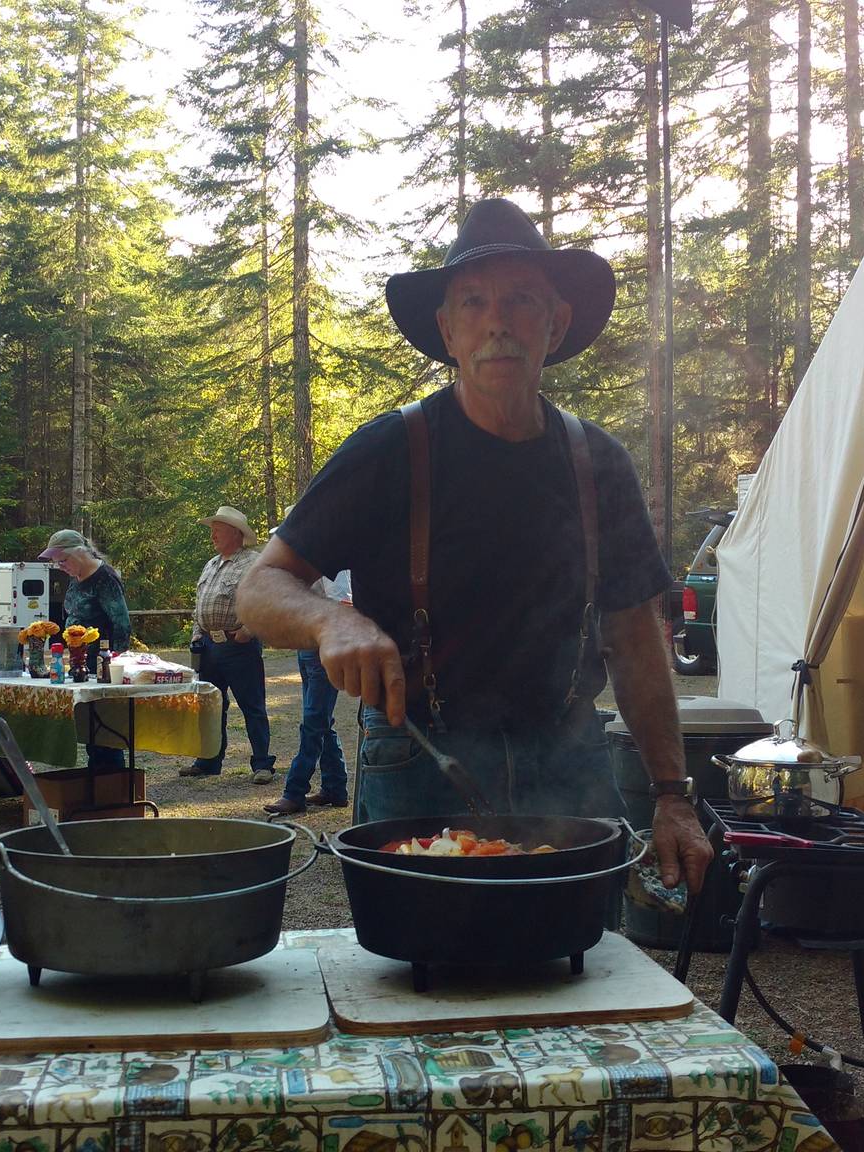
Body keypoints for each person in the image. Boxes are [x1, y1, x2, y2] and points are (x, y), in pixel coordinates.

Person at [236, 198, 713, 894]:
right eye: (474, 302)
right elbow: (260, 588)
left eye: (521, 300)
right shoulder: (391, 450)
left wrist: (672, 794)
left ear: (556, 323)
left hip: (570, 763)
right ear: (447, 330)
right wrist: (331, 618)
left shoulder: (598, 463)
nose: (497, 322)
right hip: (422, 759)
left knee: (573, 973)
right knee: (422, 971)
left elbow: (635, 638)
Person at [265, 509, 351, 816]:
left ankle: (295, 791)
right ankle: (335, 788)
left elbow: (343, 604)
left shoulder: (332, 562)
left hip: (321, 647)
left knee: (313, 720)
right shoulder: (302, 565)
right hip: (307, 647)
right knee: (320, 720)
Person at [184, 506, 274, 783]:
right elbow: (201, 604)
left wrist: (249, 630)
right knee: (211, 706)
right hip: (209, 645)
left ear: (236, 533)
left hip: (238, 644)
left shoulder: (252, 563)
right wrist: (198, 633)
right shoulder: (211, 564)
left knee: (252, 705)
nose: (212, 535)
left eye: (218, 529)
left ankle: (262, 764)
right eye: (212, 529)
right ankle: (209, 760)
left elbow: (267, 601)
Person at [40, 529, 133, 771]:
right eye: (56, 563)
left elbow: (121, 625)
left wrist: (114, 665)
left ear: (80, 553)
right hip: (82, 662)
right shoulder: (76, 577)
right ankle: (97, 777)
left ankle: (112, 782)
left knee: (107, 730)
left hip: (103, 665)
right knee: (91, 728)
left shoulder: (105, 579)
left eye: (63, 561)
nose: (60, 567)